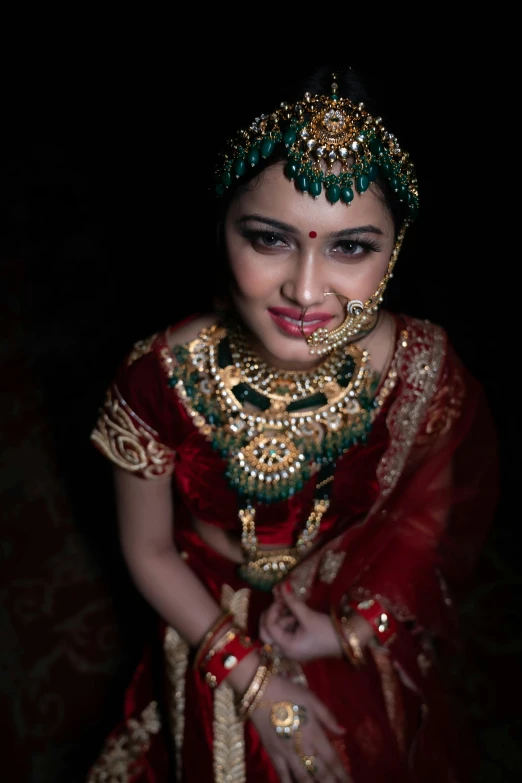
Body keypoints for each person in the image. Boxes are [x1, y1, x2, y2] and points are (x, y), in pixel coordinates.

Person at [86, 65, 498, 782]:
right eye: (270, 239)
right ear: (221, 229)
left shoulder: (420, 369)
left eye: (349, 247)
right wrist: (251, 678)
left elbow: (426, 516)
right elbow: (149, 551)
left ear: (395, 249)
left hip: (337, 599)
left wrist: (348, 633)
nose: (305, 290)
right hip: (206, 609)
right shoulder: (159, 377)